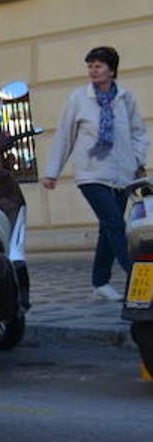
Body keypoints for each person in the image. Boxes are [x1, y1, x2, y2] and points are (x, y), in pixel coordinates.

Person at [43, 46, 148, 300]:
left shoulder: (126, 98)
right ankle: (138, 277)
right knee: (115, 224)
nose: (93, 70)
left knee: (107, 228)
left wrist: (137, 160)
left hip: (123, 175)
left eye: (98, 66)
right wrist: (52, 172)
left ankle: (100, 283)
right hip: (91, 173)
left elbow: (138, 132)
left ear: (111, 70)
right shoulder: (78, 99)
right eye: (90, 66)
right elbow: (64, 136)